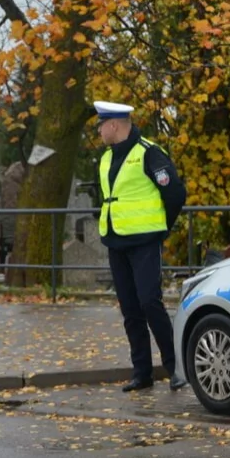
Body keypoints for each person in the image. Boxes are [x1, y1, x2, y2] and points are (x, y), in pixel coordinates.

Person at [94, 100, 189, 392]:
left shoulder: (149, 153)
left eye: (100, 125)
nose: (98, 131)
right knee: (130, 308)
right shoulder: (106, 158)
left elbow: (174, 193)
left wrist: (161, 229)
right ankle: (142, 373)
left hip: (145, 242)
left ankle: (177, 368)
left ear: (113, 124)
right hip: (116, 241)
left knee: (150, 302)